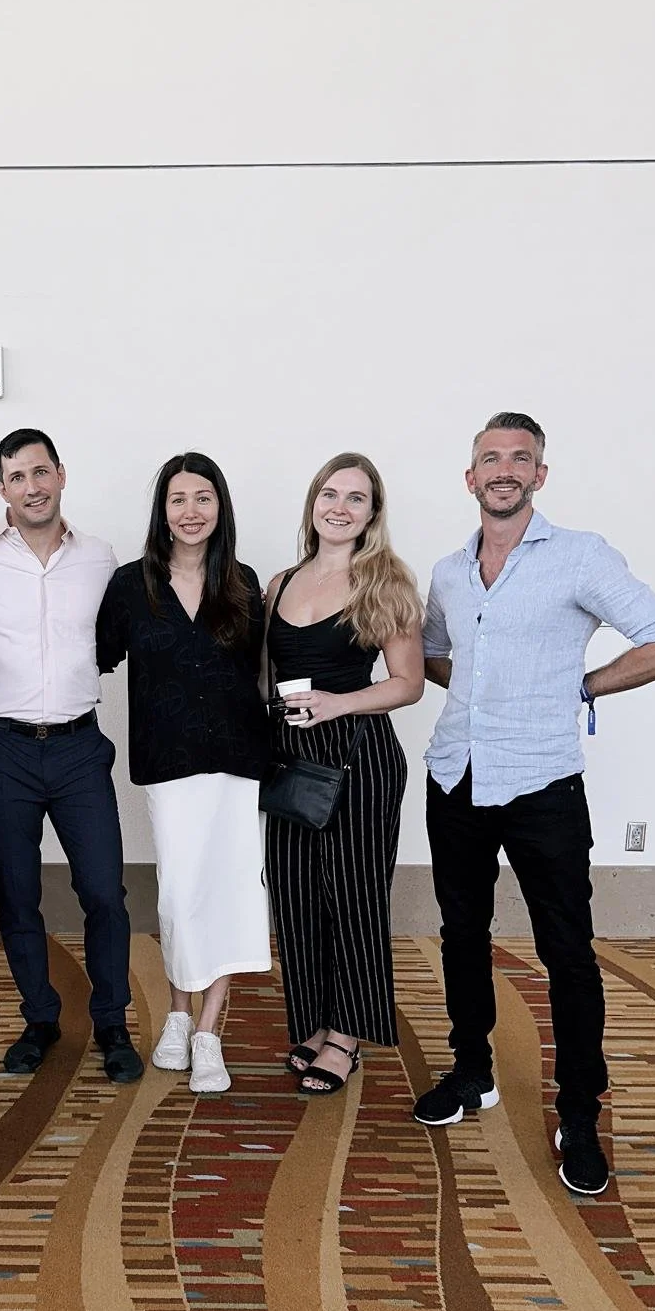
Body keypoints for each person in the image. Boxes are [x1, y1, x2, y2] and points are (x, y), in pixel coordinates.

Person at [415, 411, 655, 1193]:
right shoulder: (448, 571)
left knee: (566, 953)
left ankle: (579, 1113)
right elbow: (434, 655)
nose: (504, 469)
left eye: (520, 458)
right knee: (460, 934)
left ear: (540, 474)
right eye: (489, 459)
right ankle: (473, 1071)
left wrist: (579, 687)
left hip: (543, 784)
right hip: (456, 777)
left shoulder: (580, 557)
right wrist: (482, 696)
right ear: (470, 478)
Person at [0, 428, 141, 1083]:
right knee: (18, 893)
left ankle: (113, 1019)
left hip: (77, 744)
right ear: (2, 487)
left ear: (61, 475)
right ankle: (39, 1016)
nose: (31, 487)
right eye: (17, 477)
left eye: (41, 472)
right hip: (3, 745)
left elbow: (116, 640)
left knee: (105, 891)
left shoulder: (100, 557)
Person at [96, 452, 270, 1092]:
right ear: (161, 511)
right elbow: (93, 658)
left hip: (234, 761)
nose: (191, 511)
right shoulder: (128, 585)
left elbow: (260, 674)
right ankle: (175, 1009)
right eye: (178, 499)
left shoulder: (245, 583)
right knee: (179, 891)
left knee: (227, 889)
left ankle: (207, 1030)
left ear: (220, 508)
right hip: (168, 763)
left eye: (203, 498)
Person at [263, 453, 424, 1096]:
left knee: (354, 895)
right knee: (296, 893)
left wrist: (338, 702)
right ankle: (311, 1021)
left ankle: (349, 1034)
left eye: (356, 498)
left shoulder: (384, 582)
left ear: (372, 514)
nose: (340, 506)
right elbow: (265, 677)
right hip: (291, 758)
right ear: (312, 504)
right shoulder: (279, 583)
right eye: (330, 494)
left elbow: (408, 684)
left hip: (360, 756)